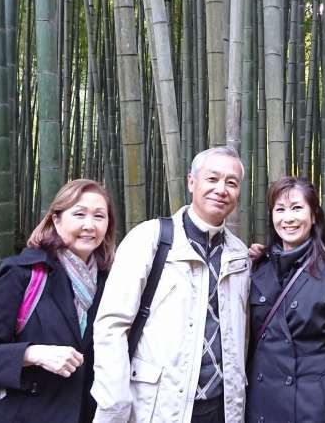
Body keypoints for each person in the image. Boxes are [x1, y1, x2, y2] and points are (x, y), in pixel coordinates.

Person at [91, 146, 251, 423]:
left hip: (219, 409)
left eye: (232, 183)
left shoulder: (239, 255)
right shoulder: (150, 239)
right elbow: (111, 326)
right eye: (212, 179)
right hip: (157, 407)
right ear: (192, 181)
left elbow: (242, 336)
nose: (221, 189)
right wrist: (114, 406)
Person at [0, 179, 117, 423]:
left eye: (99, 216)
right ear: (56, 220)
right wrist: (32, 353)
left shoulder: (113, 282)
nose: (89, 225)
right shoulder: (23, 273)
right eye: (79, 214)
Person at [246, 177, 325, 423]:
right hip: (261, 406)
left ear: (314, 216)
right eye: (279, 210)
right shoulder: (257, 269)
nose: (287, 218)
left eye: (297, 208)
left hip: (313, 408)